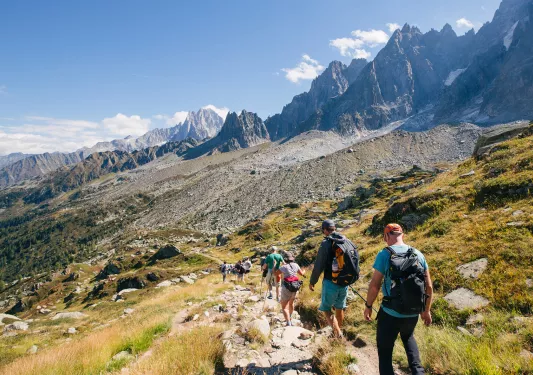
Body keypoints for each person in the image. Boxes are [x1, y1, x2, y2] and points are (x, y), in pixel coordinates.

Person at [363, 223, 433, 375]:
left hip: (390, 312)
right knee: (408, 337)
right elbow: (429, 287)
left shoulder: (384, 254)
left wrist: (368, 305)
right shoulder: (418, 254)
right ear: (402, 235)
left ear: (387, 236)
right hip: (413, 312)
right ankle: (418, 372)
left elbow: (374, 285)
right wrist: (426, 311)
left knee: (385, 351)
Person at [309, 219, 352, 338]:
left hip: (330, 281)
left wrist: (312, 281)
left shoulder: (326, 243)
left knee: (326, 308)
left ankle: (338, 334)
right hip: (344, 281)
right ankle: (338, 330)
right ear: (334, 228)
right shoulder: (345, 240)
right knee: (339, 307)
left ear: (324, 230)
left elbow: (318, 265)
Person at [277, 255, 305, 326]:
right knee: (291, 303)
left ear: (286, 260)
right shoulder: (296, 265)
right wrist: (304, 271)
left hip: (286, 287)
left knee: (284, 307)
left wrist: (276, 266)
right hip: (295, 287)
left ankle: (288, 322)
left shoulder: (284, 267)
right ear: (292, 260)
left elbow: (275, 273)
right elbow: (301, 273)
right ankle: (290, 316)